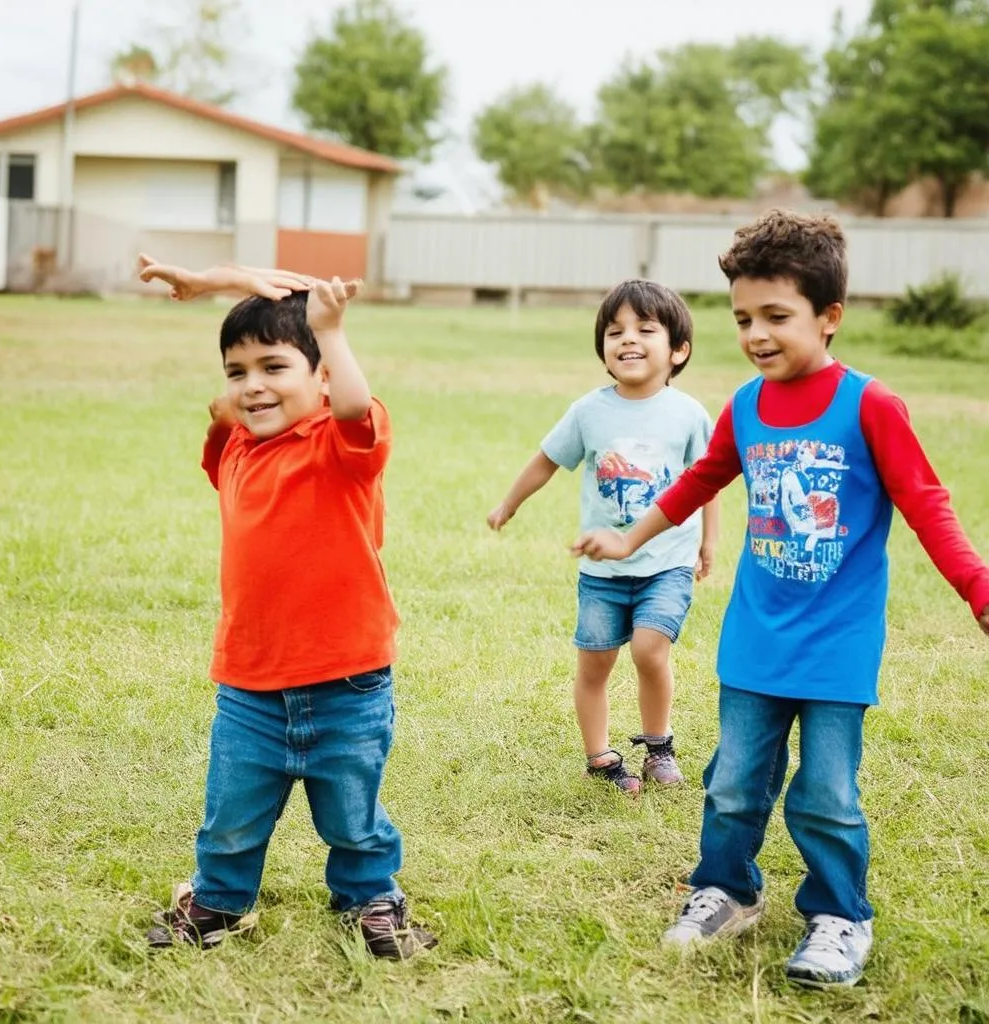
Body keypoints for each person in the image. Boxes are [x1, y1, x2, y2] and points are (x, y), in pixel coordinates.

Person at [572, 210, 989, 987]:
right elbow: (700, 481)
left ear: (830, 318)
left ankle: (838, 916)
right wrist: (631, 540)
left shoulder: (869, 406)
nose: (757, 334)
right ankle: (725, 890)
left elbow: (928, 502)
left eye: (776, 317)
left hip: (837, 642)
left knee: (827, 793)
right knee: (733, 781)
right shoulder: (747, 406)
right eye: (742, 319)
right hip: (756, 638)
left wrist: (976, 585)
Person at [135, 255, 437, 959]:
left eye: (275, 366)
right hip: (250, 683)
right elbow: (228, 409)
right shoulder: (236, 447)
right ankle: (218, 905)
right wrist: (225, 291)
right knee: (230, 817)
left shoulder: (342, 443)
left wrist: (316, 323)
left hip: (348, 681)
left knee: (353, 819)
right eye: (237, 371)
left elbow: (354, 394)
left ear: (322, 377)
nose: (254, 385)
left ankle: (372, 904)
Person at [488, 279, 718, 795]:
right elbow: (547, 461)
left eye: (645, 329)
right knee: (594, 663)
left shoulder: (688, 414)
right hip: (602, 572)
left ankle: (659, 746)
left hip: (667, 562)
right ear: (603, 351)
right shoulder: (589, 411)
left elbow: (707, 483)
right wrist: (509, 502)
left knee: (649, 649)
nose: (627, 339)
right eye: (615, 332)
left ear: (678, 350)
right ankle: (601, 758)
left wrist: (708, 542)